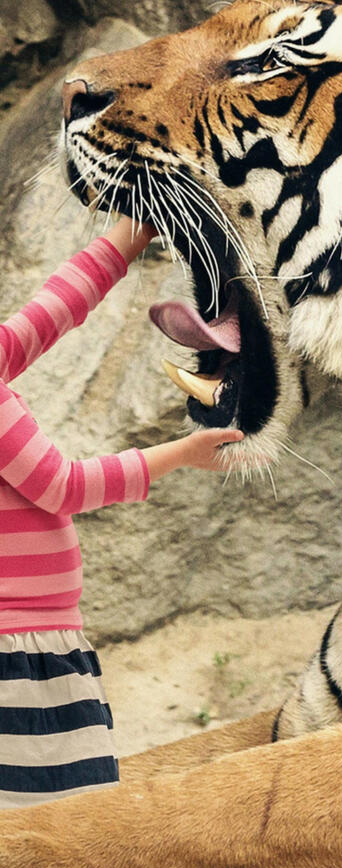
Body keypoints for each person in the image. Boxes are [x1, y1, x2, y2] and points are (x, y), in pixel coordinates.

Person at [0, 217, 242, 808]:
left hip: (37, 640)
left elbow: (45, 317)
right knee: (57, 824)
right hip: (20, 656)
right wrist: (181, 454)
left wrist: (124, 241)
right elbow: (62, 486)